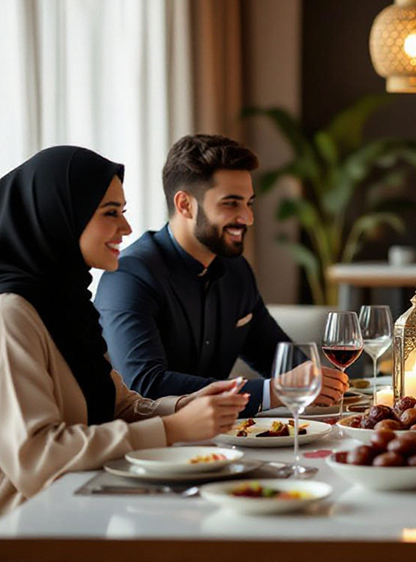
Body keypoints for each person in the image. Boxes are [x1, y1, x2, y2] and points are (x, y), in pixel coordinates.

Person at [0, 147, 247, 515]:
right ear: (58, 216)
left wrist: (186, 406)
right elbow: (36, 458)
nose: (126, 228)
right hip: (5, 521)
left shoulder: (64, 305)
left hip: (68, 498)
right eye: (110, 213)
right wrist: (173, 429)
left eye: (123, 213)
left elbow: (118, 406)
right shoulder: (7, 315)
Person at [95, 134, 346, 413]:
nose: (247, 218)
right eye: (231, 203)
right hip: (154, 448)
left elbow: (282, 360)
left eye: (249, 203)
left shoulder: (236, 270)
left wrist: (326, 383)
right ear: (185, 205)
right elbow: (145, 385)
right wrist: (275, 391)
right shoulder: (129, 276)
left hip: (227, 442)